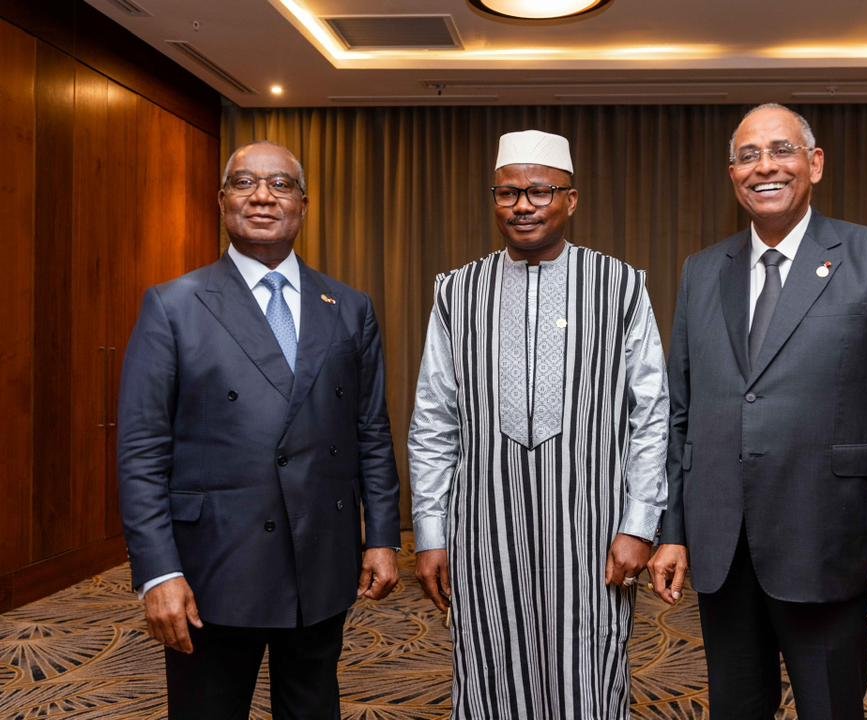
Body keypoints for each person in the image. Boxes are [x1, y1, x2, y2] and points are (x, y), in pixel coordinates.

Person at [648, 104, 867, 720]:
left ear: (815, 163)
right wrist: (671, 530)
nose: (765, 167)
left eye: (781, 150)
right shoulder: (702, 272)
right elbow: (681, 413)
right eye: (748, 156)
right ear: (732, 174)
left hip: (828, 541)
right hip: (724, 548)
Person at [118, 141, 401, 719]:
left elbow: (371, 429)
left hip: (321, 555)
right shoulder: (174, 305)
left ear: (304, 204)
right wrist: (158, 572)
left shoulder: (349, 307)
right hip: (213, 564)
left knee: (312, 708)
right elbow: (143, 451)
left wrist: (382, 538)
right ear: (222, 200)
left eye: (281, 185)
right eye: (245, 183)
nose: (263, 197)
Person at [408, 129, 669, 719]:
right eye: (507, 193)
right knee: (489, 674)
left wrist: (640, 523)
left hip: (592, 529)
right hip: (484, 530)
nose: (522, 205)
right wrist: (431, 530)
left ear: (570, 200)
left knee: (589, 676)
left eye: (540, 191)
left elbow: (650, 413)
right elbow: (433, 418)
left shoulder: (620, 285)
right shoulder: (457, 292)